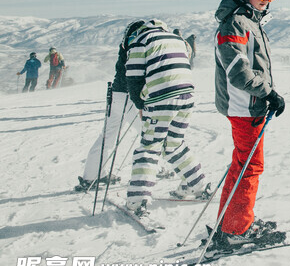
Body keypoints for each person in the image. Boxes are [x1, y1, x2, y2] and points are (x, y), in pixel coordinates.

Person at [210, 0, 286, 252]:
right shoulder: (236, 24)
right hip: (245, 107)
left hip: (250, 105)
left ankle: (230, 223)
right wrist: (268, 93)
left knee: (242, 164)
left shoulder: (249, 21)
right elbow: (238, 72)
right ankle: (236, 230)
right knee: (250, 167)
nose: (268, 0)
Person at [125, 20, 210, 215]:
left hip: (161, 98)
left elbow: (134, 78)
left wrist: (140, 105)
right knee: (173, 144)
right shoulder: (175, 38)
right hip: (187, 96)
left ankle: (138, 201)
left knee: (150, 146)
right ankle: (198, 184)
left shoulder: (140, 40)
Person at [74, 30, 139, 192]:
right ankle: (156, 171)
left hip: (116, 95)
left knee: (107, 136)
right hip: (128, 96)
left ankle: (91, 175)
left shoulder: (126, 43)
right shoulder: (137, 44)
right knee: (150, 134)